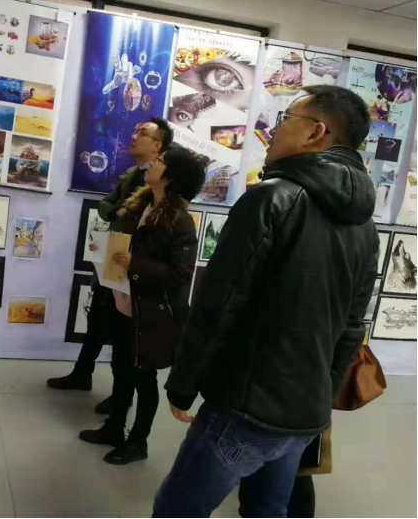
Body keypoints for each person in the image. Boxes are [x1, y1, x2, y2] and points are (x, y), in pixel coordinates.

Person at [153, 85, 379, 518]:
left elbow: (220, 302)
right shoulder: (364, 225)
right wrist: (321, 394)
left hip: (245, 406)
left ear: (315, 132)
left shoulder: (271, 197)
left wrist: (183, 384)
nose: (272, 131)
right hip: (305, 412)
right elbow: (353, 325)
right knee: (267, 511)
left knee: (176, 510)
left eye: (284, 120)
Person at [79, 146, 206, 466]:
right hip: (124, 304)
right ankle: (114, 429)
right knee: (121, 371)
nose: (152, 163)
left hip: (150, 315)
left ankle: (138, 443)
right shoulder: (140, 204)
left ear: (171, 176)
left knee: (143, 381)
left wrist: (135, 263)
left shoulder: (179, 220)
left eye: (160, 161)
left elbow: (180, 274)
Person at [47, 118, 174, 415]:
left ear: (158, 146)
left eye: (142, 133)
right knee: (98, 320)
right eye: (136, 131)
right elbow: (106, 208)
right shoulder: (133, 173)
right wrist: (118, 211)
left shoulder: (159, 182)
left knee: (122, 335)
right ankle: (82, 373)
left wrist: (119, 212)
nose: (134, 136)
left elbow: (143, 221)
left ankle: (121, 398)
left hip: (132, 264)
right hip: (114, 255)